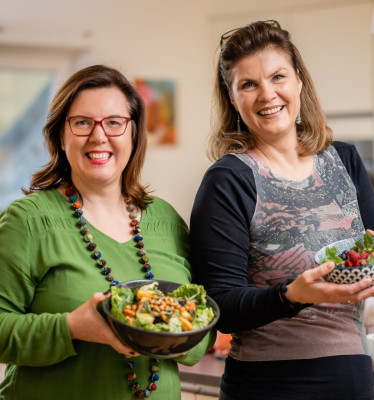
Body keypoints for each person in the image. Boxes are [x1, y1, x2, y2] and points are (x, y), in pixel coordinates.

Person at [189, 21, 374, 400]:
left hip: (353, 379)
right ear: (232, 98)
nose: (267, 94)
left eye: (277, 76)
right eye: (248, 84)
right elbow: (219, 302)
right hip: (267, 385)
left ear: (299, 80)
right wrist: (291, 296)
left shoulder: (346, 160)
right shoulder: (228, 180)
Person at [0, 65, 214, 400]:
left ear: (133, 134)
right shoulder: (27, 221)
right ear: (60, 135)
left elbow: (201, 337)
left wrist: (173, 333)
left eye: (114, 123)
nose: (99, 136)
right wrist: (71, 328)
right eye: (82, 122)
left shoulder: (167, 220)